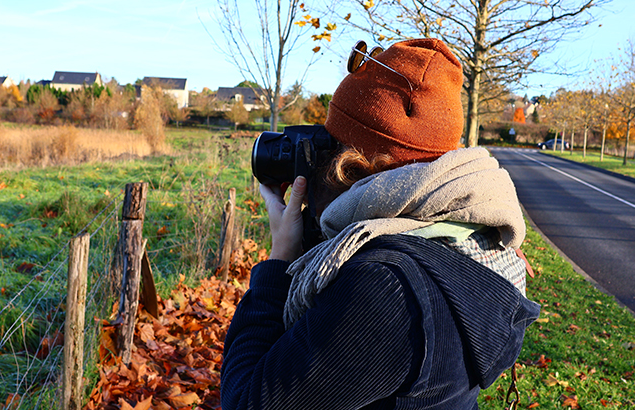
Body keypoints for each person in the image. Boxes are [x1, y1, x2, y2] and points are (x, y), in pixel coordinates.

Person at [221, 38, 541, 410]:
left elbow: (244, 402)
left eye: (329, 142)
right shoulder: (466, 241)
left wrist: (279, 262)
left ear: (349, 165)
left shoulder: (383, 288)